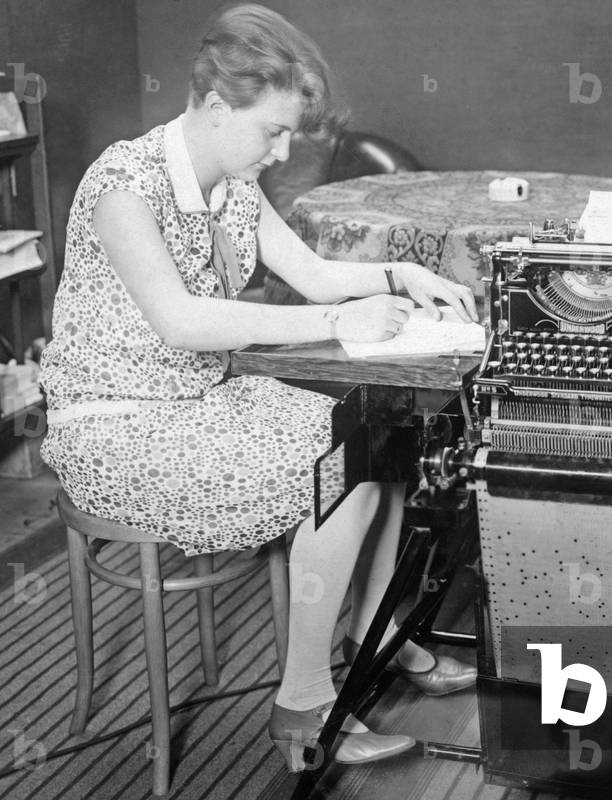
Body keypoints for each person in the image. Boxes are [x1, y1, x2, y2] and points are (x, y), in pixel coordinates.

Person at [39, 3, 477, 771]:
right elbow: (179, 321)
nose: (281, 153)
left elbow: (307, 274)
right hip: (115, 424)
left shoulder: (229, 182)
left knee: (381, 442)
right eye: (271, 130)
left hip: (202, 404)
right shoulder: (123, 183)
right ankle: (302, 705)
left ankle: (373, 636)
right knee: (341, 472)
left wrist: (400, 273)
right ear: (213, 106)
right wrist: (341, 322)